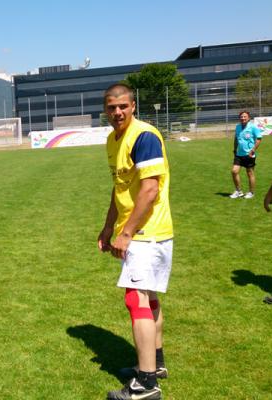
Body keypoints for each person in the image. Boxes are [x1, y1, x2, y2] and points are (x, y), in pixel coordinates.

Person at [97, 84, 173, 400]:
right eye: (111, 107)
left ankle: (146, 384)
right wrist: (107, 228)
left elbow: (149, 190)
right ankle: (156, 363)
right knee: (148, 296)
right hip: (140, 231)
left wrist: (126, 233)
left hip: (147, 231)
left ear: (133, 106)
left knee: (136, 299)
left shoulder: (144, 136)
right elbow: (121, 189)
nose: (117, 112)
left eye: (123, 106)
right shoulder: (113, 140)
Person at [230, 111, 262, 199]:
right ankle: (238, 191)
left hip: (249, 154)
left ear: (248, 118)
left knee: (250, 173)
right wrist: (235, 149)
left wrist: (253, 150)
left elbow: (259, 139)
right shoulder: (238, 127)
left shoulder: (253, 127)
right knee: (234, 171)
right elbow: (236, 139)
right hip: (239, 154)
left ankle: (251, 192)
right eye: (241, 117)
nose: (243, 118)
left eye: (245, 116)